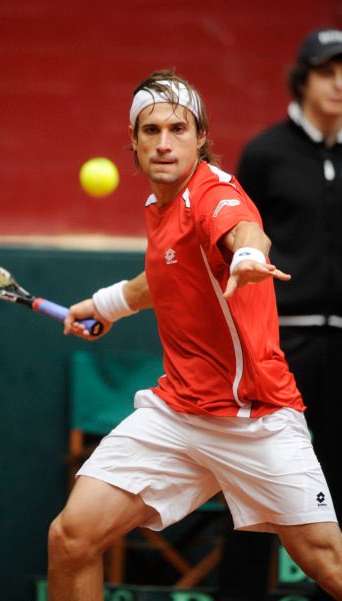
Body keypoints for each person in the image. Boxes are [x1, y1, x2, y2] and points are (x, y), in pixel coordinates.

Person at [47, 69, 342, 601]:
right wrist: (107, 305)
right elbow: (161, 275)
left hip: (255, 417)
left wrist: (250, 255)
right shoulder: (159, 208)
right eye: (151, 130)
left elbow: (244, 231)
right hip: (178, 414)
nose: (164, 143)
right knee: (72, 537)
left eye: (178, 129)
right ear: (133, 144)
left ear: (201, 138)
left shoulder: (213, 194)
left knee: (328, 564)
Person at [218, 27, 342, 601]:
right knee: (260, 486)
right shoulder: (266, 152)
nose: (339, 83)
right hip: (280, 345)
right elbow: (237, 238)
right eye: (327, 71)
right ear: (304, 79)